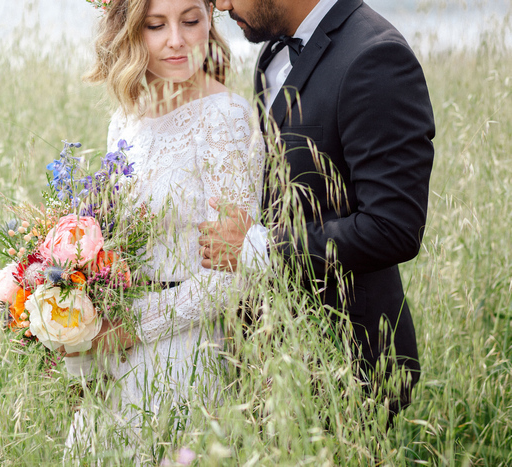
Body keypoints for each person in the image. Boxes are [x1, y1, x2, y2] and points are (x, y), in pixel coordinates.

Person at [199, 0, 435, 419]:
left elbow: (393, 226)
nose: (220, 4)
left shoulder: (376, 58)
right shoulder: (272, 52)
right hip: (273, 352)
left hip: (348, 360)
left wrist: (261, 250)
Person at [63, 0, 264, 453]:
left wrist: (132, 327)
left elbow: (231, 275)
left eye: (190, 21)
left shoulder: (224, 118)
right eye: (157, 25)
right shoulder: (126, 120)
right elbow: (112, 241)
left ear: (208, 23)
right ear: (132, 32)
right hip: (115, 347)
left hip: (184, 352)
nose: (177, 39)